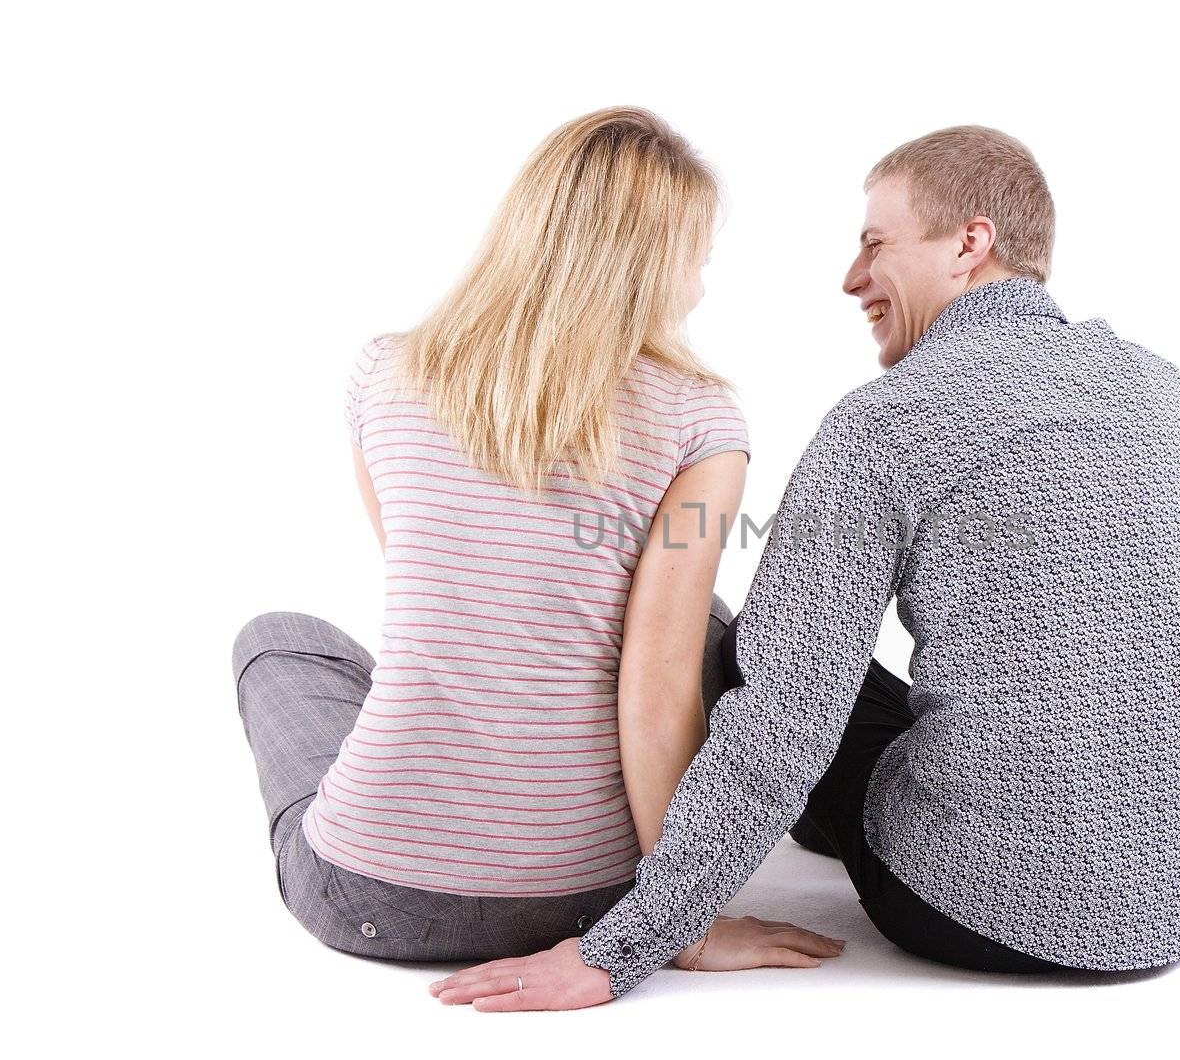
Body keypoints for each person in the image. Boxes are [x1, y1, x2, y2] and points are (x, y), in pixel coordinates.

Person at [430, 125, 1180, 1012]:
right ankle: (1140, 837)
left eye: (875, 244)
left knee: (753, 650)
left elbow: (785, 716)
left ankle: (907, 828)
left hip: (968, 908)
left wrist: (620, 946)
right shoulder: (1159, 385)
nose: (852, 279)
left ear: (970, 244)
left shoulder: (882, 423)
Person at [232, 107, 844, 976]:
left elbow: (432, 584)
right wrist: (683, 923)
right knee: (696, 617)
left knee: (276, 638)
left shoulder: (384, 373)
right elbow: (657, 690)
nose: (700, 288)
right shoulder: (701, 419)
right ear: (642, 264)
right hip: (593, 896)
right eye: (695, 260)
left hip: (372, 898)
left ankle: (417, 789)